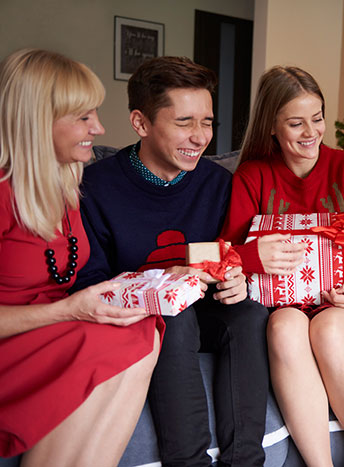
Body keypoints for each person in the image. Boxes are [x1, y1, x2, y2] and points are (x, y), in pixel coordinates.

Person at [72, 56, 269, 467]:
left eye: (207, 122)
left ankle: (245, 462)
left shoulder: (218, 183)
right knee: (174, 314)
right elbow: (87, 283)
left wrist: (234, 277)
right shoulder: (96, 186)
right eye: (184, 122)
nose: (200, 138)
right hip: (140, 319)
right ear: (141, 123)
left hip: (208, 311)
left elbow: (230, 253)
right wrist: (163, 284)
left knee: (249, 313)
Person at [219, 66, 344, 467]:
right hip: (285, 303)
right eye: (295, 122)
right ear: (271, 126)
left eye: (318, 117)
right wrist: (255, 257)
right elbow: (226, 255)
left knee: (326, 329)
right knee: (284, 327)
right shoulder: (253, 175)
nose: (310, 131)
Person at [0, 49, 160, 466]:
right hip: (12, 342)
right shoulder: (2, 194)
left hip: (45, 332)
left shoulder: (66, 185)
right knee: (117, 335)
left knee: (144, 329)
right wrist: (69, 310)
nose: (100, 128)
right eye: (83, 117)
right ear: (38, 122)